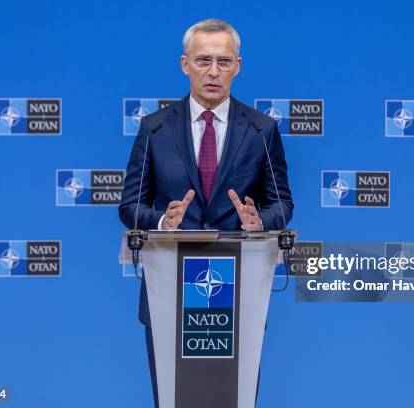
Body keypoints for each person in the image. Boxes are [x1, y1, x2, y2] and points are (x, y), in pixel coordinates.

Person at [118, 18, 293, 407]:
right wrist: (163, 222)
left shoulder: (262, 130)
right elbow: (129, 206)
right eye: (203, 60)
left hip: (239, 288)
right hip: (170, 289)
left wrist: (261, 221)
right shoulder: (154, 129)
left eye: (223, 61)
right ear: (184, 64)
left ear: (238, 66)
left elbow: (283, 203)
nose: (213, 71)